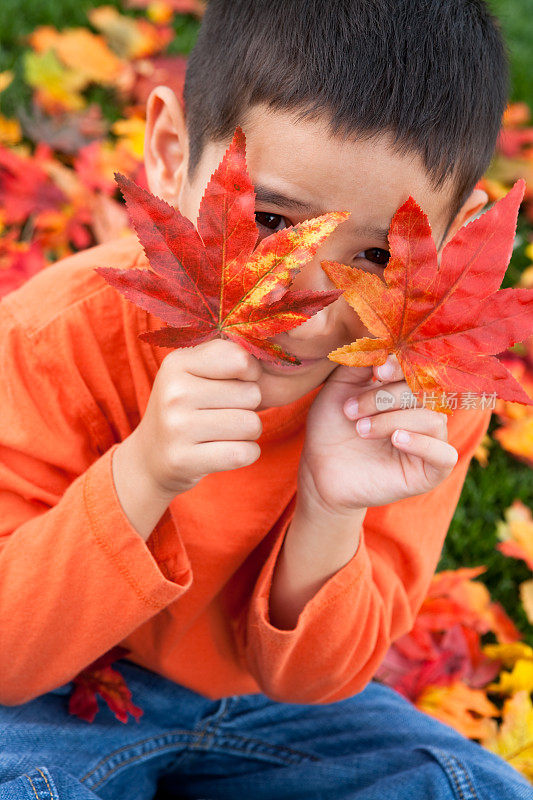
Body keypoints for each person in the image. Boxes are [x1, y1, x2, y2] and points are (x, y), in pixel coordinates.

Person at [0, 0, 531, 798]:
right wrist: (142, 473)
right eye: (272, 219)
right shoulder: (58, 336)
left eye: (380, 253)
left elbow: (321, 682)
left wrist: (330, 505)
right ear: (170, 153)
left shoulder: (420, 391)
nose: (312, 299)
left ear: (453, 239)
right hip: (57, 691)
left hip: (270, 712)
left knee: (466, 785)